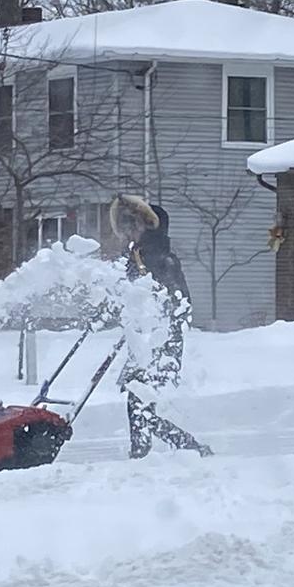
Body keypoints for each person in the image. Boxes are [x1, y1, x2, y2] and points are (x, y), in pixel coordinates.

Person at [110, 193, 212, 459]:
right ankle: (146, 451)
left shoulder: (162, 259)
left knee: (139, 403)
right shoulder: (137, 255)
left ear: (151, 226)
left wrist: (154, 320)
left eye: (138, 225)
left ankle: (187, 448)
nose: (133, 229)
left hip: (162, 346)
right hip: (145, 344)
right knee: (137, 402)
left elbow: (180, 304)